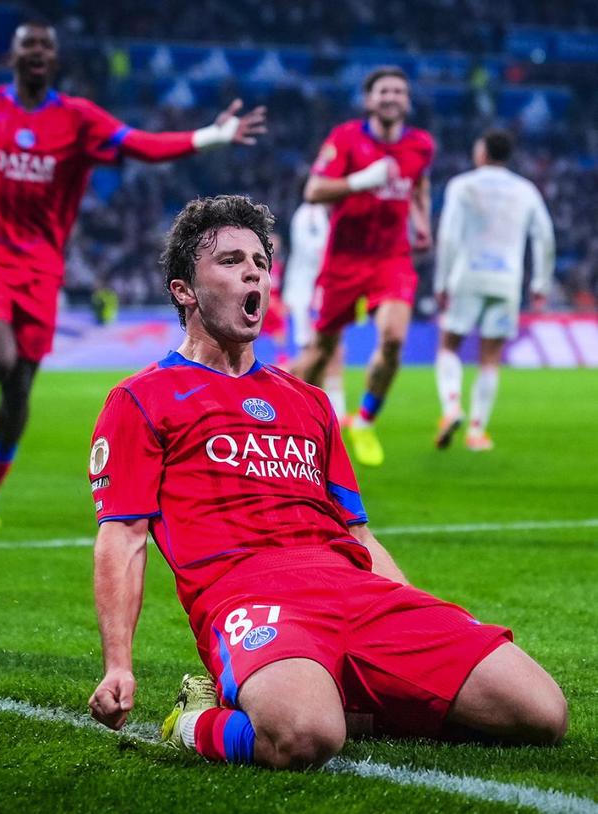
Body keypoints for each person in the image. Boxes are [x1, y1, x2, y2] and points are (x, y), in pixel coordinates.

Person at [88, 194, 566, 770]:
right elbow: (124, 536)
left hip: (353, 589)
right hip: (250, 596)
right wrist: (119, 664)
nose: (253, 273)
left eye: (260, 262)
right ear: (184, 290)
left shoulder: (308, 401)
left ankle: (342, 701)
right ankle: (192, 722)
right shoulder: (142, 399)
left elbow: (358, 534)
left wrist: (409, 604)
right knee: (305, 737)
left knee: (541, 714)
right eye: (231, 261)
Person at [0, 21, 266, 529]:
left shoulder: (77, 119)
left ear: (55, 58)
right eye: (28, 45)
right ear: (13, 56)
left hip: (40, 266)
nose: (37, 52)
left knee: (20, 388)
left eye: (46, 45)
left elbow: (142, 145)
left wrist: (210, 136)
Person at [290, 66, 434, 466]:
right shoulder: (345, 138)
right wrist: (361, 181)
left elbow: (419, 184)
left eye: (399, 91)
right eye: (384, 91)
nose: (391, 97)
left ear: (407, 101)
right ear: (370, 100)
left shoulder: (421, 145)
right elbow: (314, 190)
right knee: (321, 352)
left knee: (393, 338)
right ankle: (282, 416)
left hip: (392, 259)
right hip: (344, 260)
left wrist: (422, 222)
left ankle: (365, 419)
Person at [434, 129, 555, 451]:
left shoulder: (463, 185)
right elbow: (545, 236)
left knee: (449, 345)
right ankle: (477, 432)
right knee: (489, 358)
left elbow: (448, 235)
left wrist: (441, 282)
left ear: (483, 153)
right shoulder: (525, 190)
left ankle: (451, 407)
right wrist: (540, 282)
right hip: (506, 281)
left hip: (468, 276)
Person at [282, 201, 347, 421]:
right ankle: (273, 377)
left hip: (317, 291)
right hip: (309, 292)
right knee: (318, 351)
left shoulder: (318, 213)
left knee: (332, 349)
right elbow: (314, 251)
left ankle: (333, 410)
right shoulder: (311, 214)